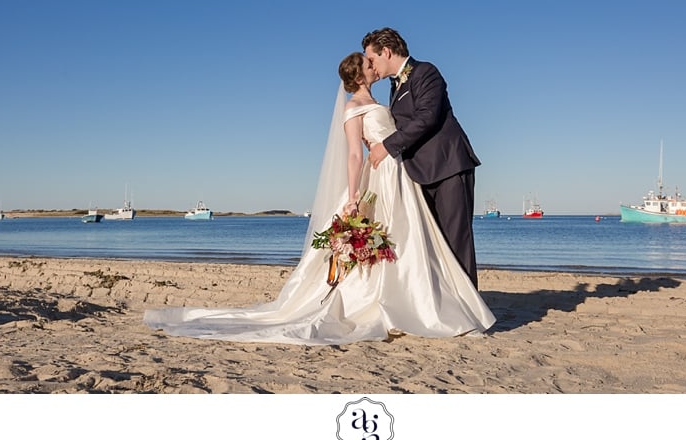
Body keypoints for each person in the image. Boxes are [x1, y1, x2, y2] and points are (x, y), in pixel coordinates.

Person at [143, 53, 495, 345]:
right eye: (368, 63)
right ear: (360, 75)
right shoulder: (354, 106)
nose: (374, 65)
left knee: (410, 239)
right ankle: (394, 303)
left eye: (374, 59)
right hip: (381, 175)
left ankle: (419, 299)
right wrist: (354, 194)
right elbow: (354, 156)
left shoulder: (380, 97)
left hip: (400, 173)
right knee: (395, 236)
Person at [363, 28, 481, 288]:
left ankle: (471, 312)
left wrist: (386, 146)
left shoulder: (426, 72)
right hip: (420, 171)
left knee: (456, 240)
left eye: (371, 59)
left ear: (386, 51)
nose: (370, 66)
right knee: (434, 242)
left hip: (448, 165)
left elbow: (427, 118)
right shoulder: (394, 87)